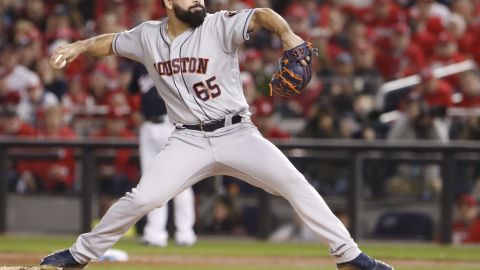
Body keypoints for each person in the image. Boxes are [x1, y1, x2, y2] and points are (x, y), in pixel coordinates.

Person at [40, 1, 394, 269]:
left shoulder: (218, 26)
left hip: (237, 132)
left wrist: (288, 35)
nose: (198, 1)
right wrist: (79, 46)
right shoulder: (147, 36)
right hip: (187, 140)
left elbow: (261, 15)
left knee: (294, 182)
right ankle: (79, 255)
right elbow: (113, 42)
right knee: (142, 200)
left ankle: (350, 257)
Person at [129, 62, 197, 247]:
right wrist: (136, 111)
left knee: (180, 180)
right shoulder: (141, 63)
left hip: (172, 124)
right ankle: (155, 234)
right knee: (151, 182)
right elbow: (133, 90)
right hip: (148, 126)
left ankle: (185, 233)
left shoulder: (178, 57)